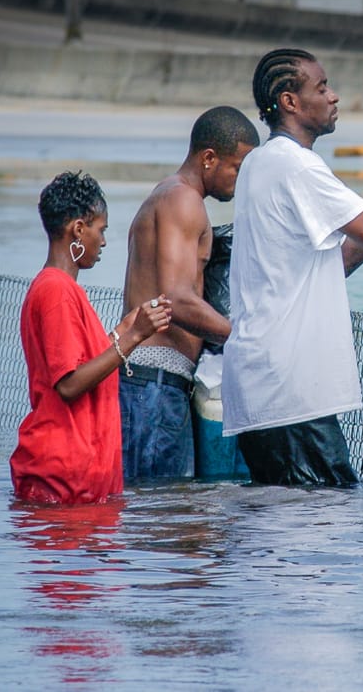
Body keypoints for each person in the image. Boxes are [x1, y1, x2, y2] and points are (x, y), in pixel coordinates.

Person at [221, 48, 363, 487]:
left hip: (260, 384)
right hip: (290, 393)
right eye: (321, 87)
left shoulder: (258, 163)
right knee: (324, 521)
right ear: (289, 102)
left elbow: (341, 257)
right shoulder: (297, 166)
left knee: (280, 533)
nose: (334, 96)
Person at [11, 171, 172, 505]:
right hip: (62, 477)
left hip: (79, 477)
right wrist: (135, 337)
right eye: (101, 230)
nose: (103, 241)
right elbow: (69, 383)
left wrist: (123, 331)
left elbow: (81, 363)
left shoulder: (63, 289)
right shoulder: (57, 290)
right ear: (78, 229)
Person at [120, 106, 260, 480]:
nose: (240, 181)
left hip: (154, 383)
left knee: (157, 519)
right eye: (237, 168)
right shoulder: (184, 200)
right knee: (160, 518)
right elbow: (175, 298)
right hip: (155, 384)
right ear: (209, 158)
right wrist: (250, 339)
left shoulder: (166, 194)